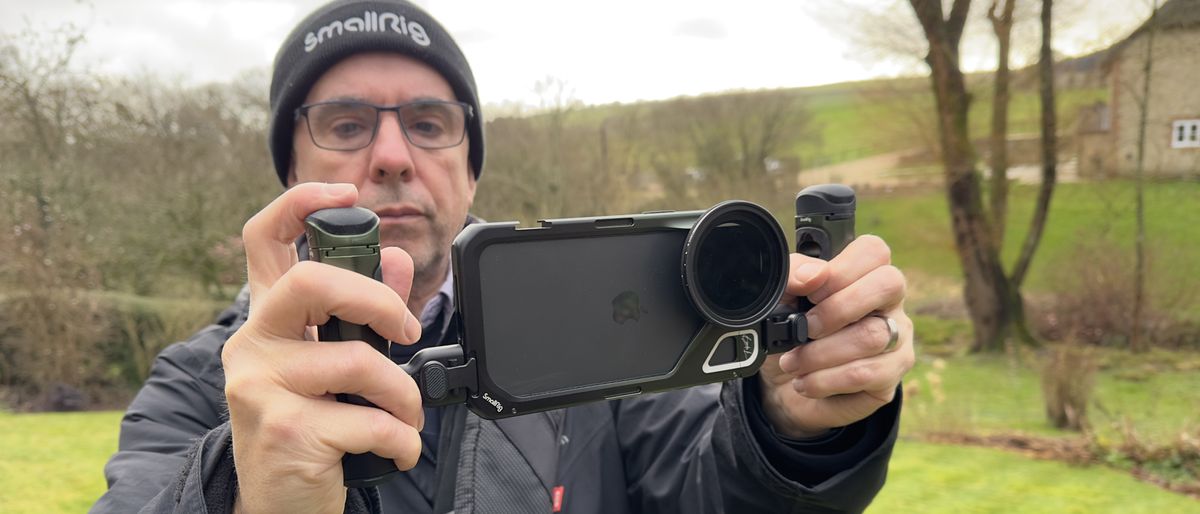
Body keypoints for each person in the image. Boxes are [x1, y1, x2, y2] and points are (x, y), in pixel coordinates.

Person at [92, 1, 914, 512]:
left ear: (470, 162)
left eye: (428, 120)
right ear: (290, 172)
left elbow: (714, 492)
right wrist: (246, 495)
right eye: (344, 124)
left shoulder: (596, 334)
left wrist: (795, 427)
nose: (390, 155)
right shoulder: (202, 385)